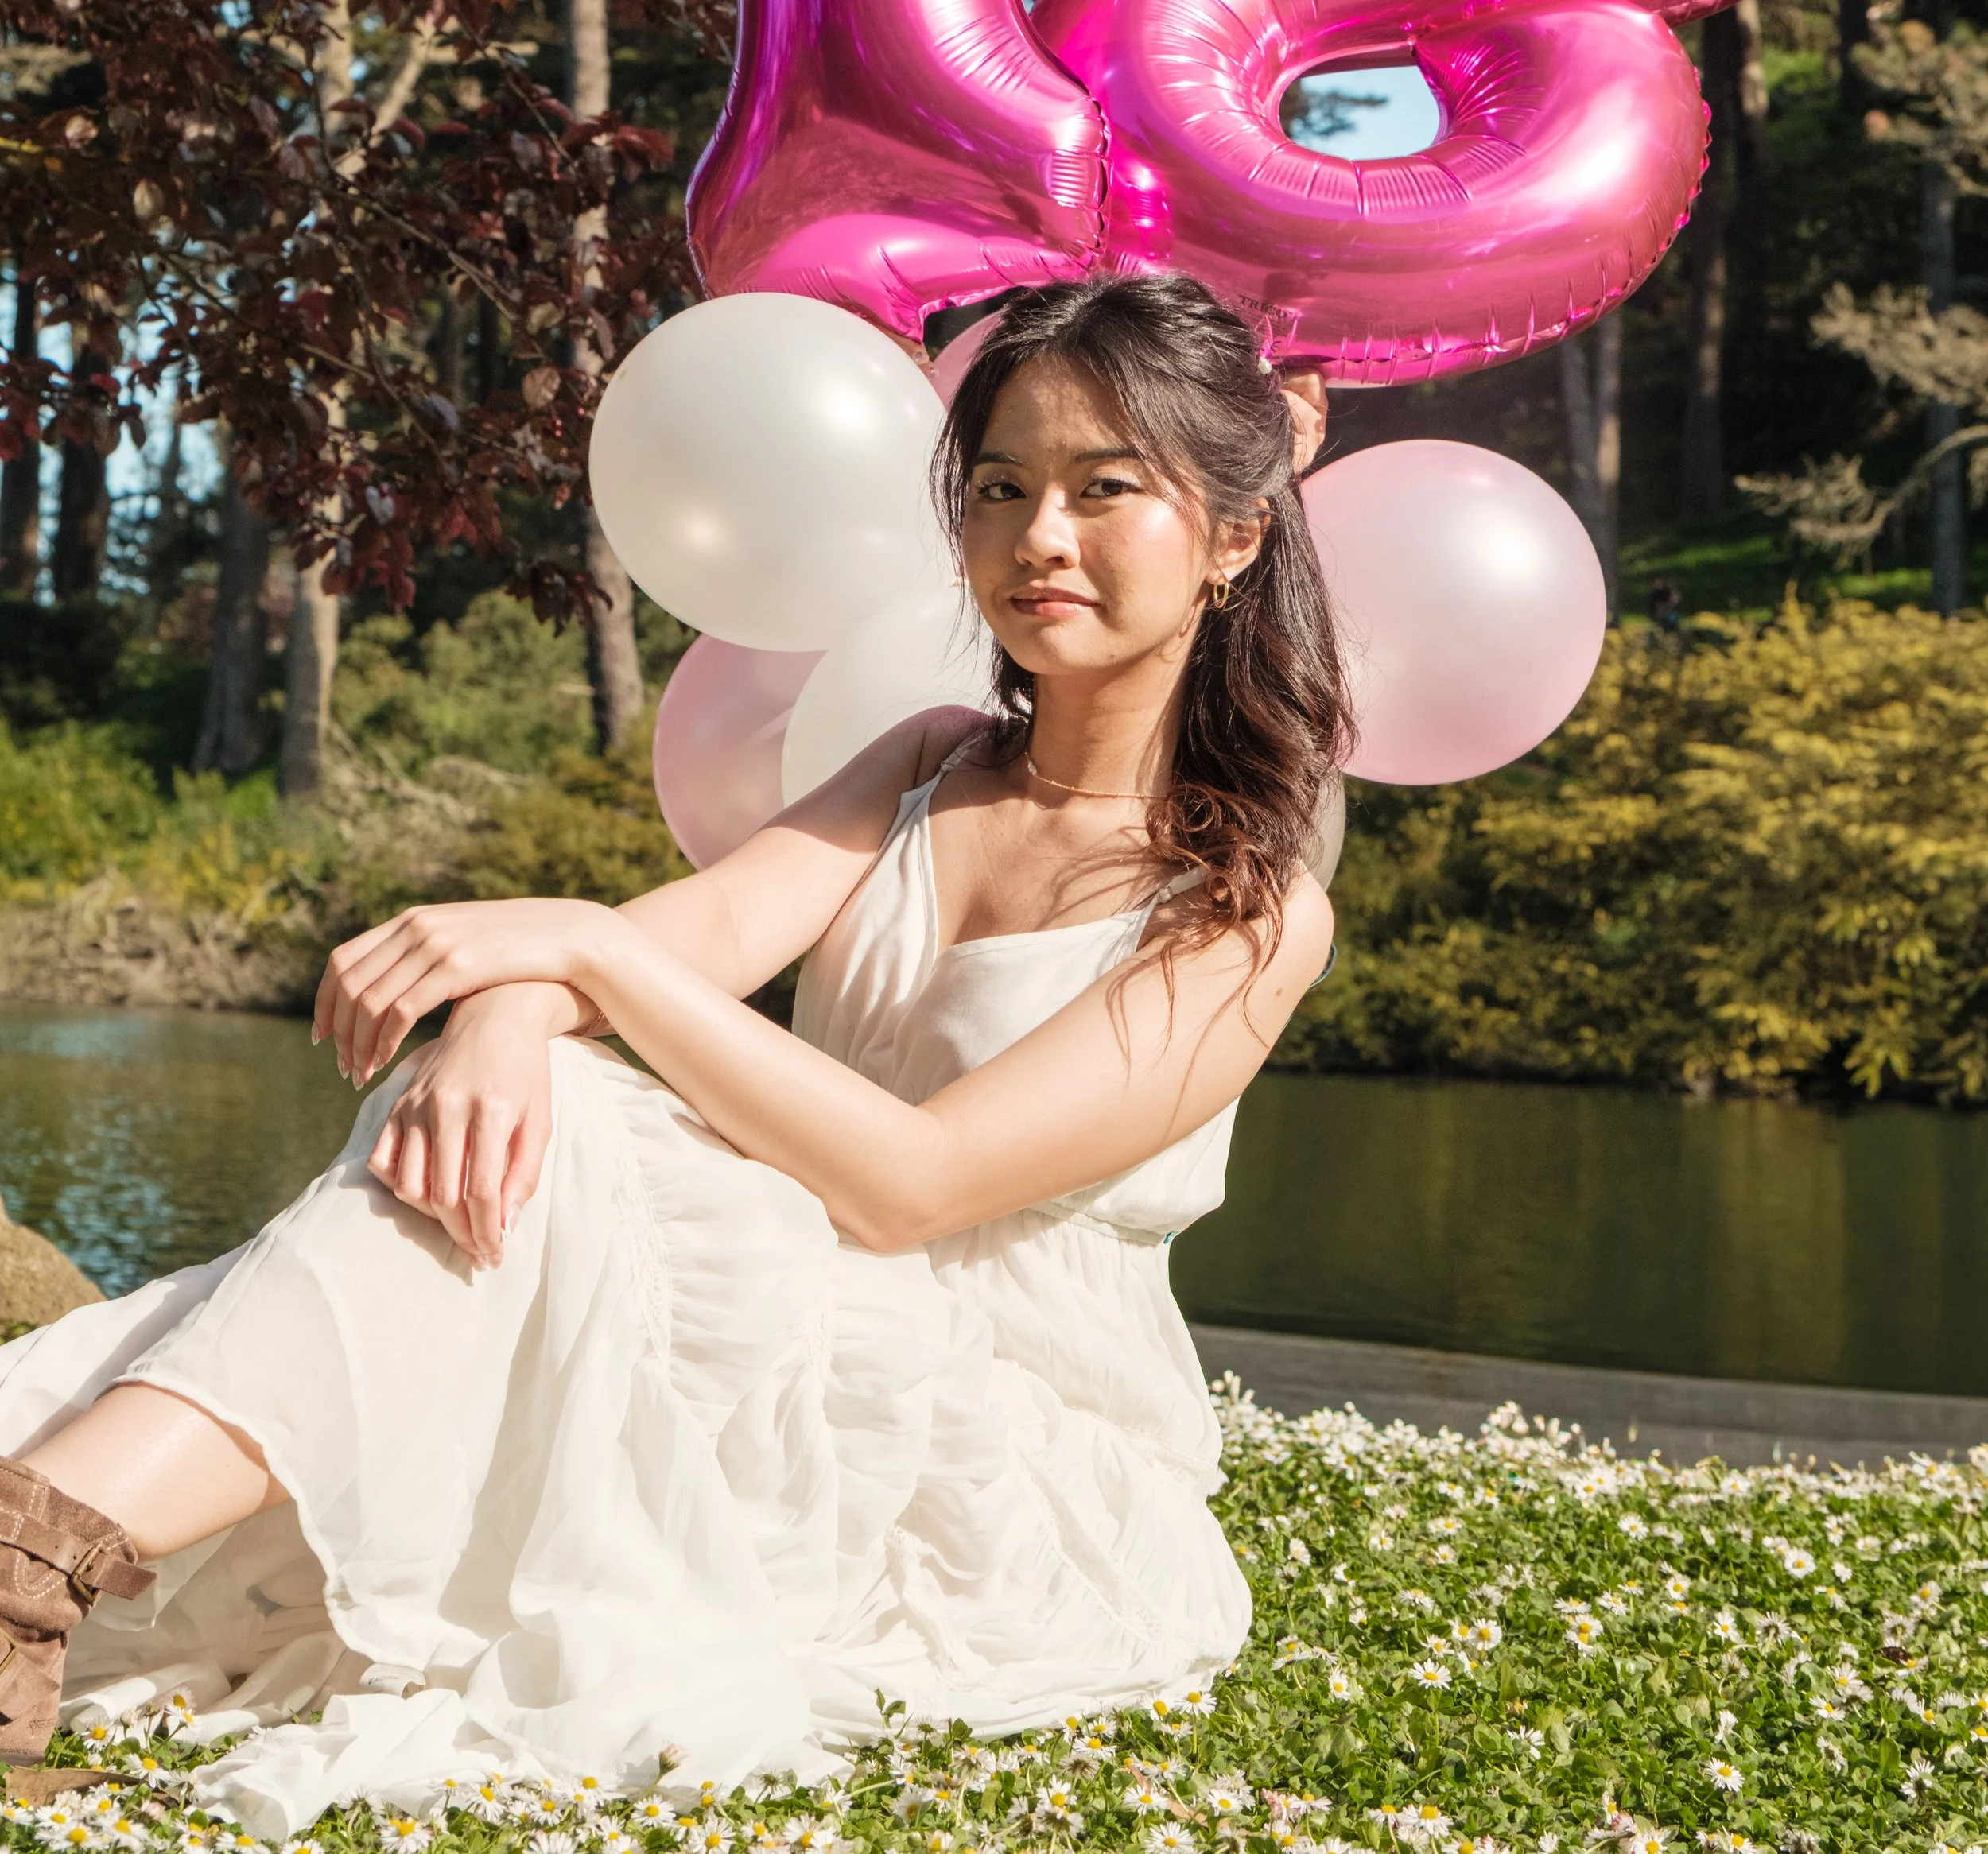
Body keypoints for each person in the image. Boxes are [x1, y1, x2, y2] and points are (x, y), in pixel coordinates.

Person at [0, 276, 1349, 1836]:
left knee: (552, 1121)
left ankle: (37, 1552)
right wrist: (506, 1011)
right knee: (506, 1122)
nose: (1040, 537)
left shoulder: (1246, 910)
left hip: (981, 1454)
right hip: (763, 1320)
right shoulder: (923, 762)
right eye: (998, 487)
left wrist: (569, 956)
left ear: (1234, 534)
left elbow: (916, 1183)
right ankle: (36, 1548)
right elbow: (679, 943)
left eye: (1104, 488)